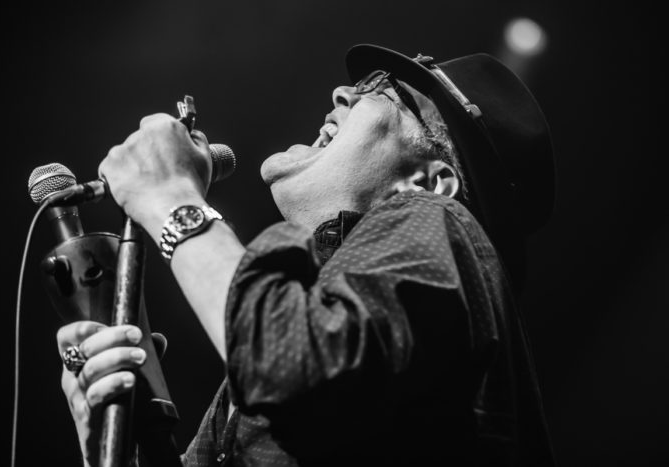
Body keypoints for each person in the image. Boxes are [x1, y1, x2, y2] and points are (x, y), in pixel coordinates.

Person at [56, 44, 556, 466]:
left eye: (381, 89)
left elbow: (296, 374)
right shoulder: (291, 326)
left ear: (429, 181)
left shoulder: (439, 217)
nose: (343, 92)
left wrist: (170, 196)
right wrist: (124, 442)